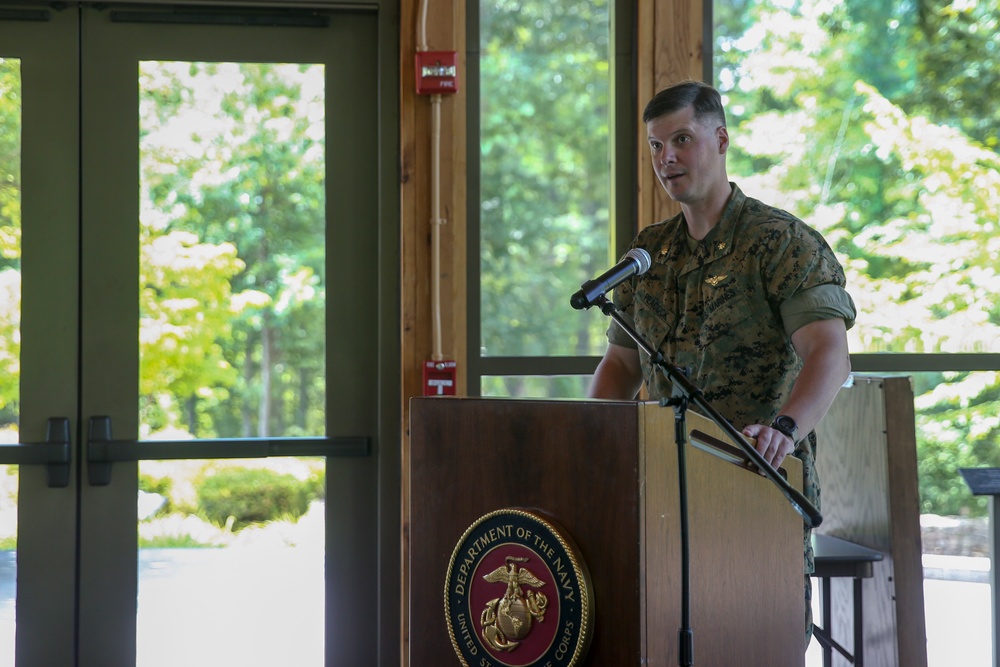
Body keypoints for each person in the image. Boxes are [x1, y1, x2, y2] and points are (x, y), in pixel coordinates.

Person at [587, 80, 856, 643]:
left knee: (755, 644)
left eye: (681, 140)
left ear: (721, 138)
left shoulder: (781, 243)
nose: (668, 159)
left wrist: (784, 428)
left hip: (752, 487)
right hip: (661, 497)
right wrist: (586, 442)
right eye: (656, 147)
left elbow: (829, 355)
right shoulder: (647, 254)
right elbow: (619, 368)